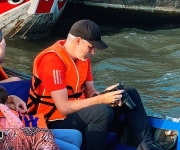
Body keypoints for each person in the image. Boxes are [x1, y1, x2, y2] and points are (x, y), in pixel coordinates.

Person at [28, 19, 158, 150]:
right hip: (53, 121)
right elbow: (63, 108)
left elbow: (90, 93)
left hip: (78, 113)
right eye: (91, 46)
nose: (93, 52)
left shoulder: (83, 58)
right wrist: (101, 100)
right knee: (102, 112)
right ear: (78, 41)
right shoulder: (52, 61)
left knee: (129, 93)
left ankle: (146, 145)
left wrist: (107, 95)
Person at [0, 84, 83, 150]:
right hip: (28, 139)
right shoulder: (0, 115)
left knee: (77, 135)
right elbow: (18, 127)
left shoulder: (1, 109)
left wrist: (14, 99)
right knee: (73, 148)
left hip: (35, 130)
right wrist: (4, 108)